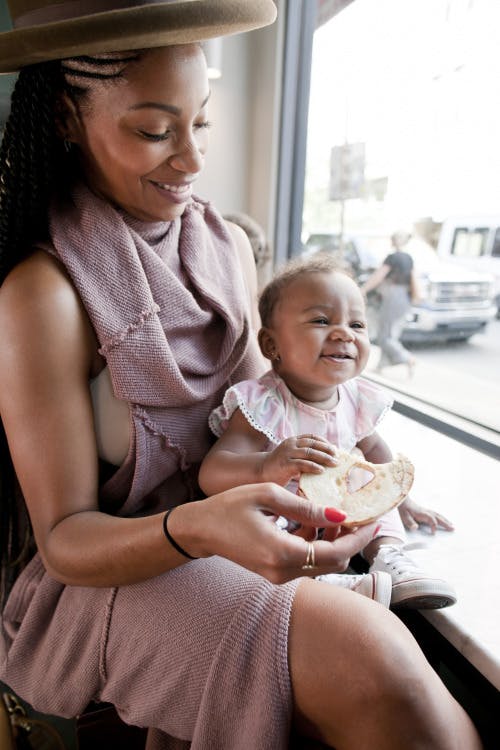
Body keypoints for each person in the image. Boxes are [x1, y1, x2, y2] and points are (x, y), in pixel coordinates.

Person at [0, 2, 482, 749]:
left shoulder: (223, 246)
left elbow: (262, 415)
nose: (191, 160)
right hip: (106, 578)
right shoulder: (45, 293)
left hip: (222, 530)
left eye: (202, 123)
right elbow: (65, 540)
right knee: (372, 660)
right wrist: (198, 527)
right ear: (66, 117)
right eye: (156, 131)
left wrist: (332, 481)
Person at [199, 253, 457, 611]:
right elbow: (212, 473)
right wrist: (265, 466)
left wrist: (403, 499)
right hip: (287, 517)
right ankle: (322, 583)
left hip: (342, 512)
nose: (343, 333)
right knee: (254, 525)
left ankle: (390, 561)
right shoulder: (264, 403)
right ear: (271, 345)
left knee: (377, 505)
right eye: (322, 320)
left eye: (357, 325)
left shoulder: (357, 397)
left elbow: (379, 455)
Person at [361, 230, 419, 376]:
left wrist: (363, 289)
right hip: (405, 297)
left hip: (393, 296)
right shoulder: (409, 258)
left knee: (385, 336)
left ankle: (407, 358)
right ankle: (381, 365)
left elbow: (378, 276)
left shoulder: (392, 258)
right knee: (390, 332)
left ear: (395, 240)